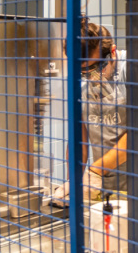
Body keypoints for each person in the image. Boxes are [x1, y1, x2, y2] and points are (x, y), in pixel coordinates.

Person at [53, 20, 127, 205]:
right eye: (84, 72)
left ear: (112, 52)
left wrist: (95, 170)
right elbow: (79, 139)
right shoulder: (82, 84)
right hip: (105, 186)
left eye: (97, 68)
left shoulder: (133, 70)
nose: (92, 77)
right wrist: (74, 181)